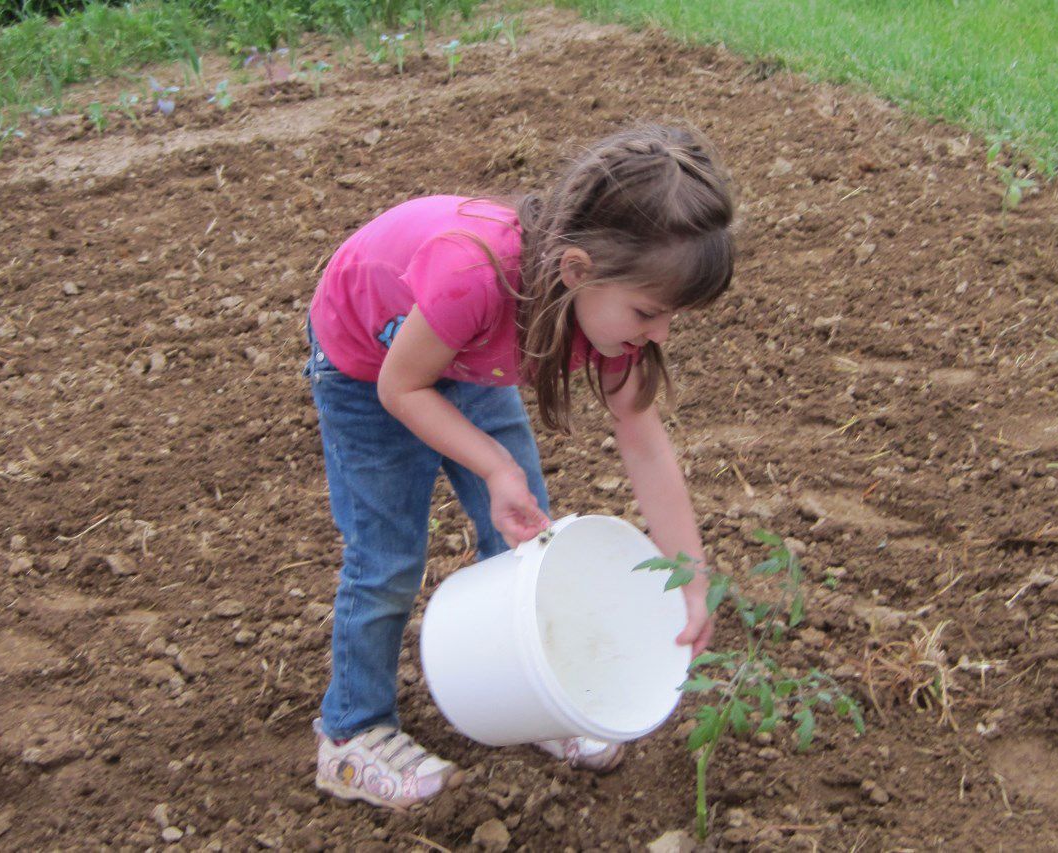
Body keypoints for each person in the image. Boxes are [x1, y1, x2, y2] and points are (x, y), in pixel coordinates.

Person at [303, 123, 735, 809]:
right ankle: (350, 733)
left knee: (525, 532)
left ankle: (521, 692)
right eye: (650, 311)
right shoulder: (472, 273)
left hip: (468, 352)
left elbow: (644, 441)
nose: (660, 334)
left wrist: (689, 576)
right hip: (369, 364)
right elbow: (400, 388)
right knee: (386, 556)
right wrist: (493, 462)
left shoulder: (599, 315)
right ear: (576, 270)